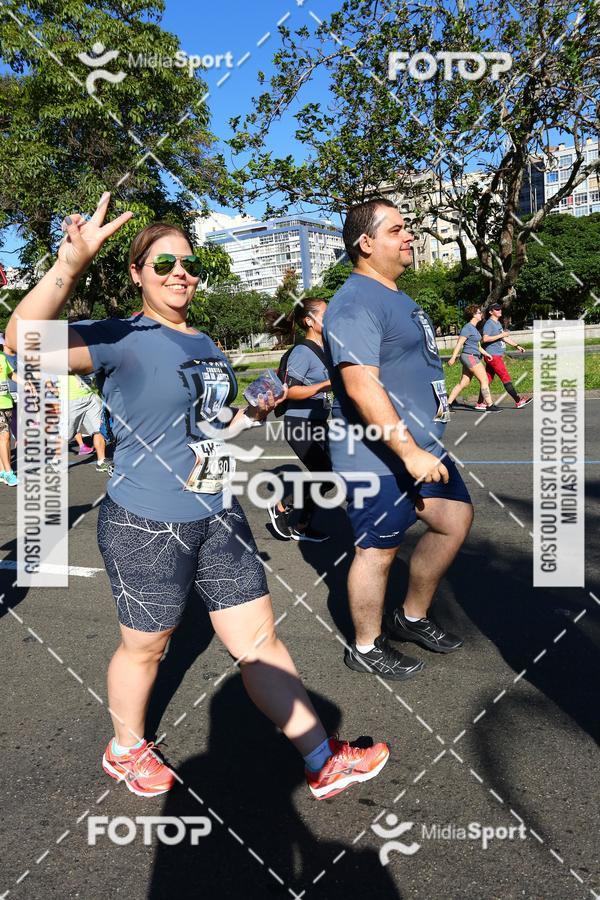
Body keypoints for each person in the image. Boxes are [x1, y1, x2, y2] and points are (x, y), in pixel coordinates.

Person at [6, 192, 389, 800]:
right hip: (146, 521)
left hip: (218, 512)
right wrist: (70, 263)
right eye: (163, 264)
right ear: (137, 274)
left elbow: (213, 426)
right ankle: (125, 750)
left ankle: (321, 758)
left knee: (259, 641)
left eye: (189, 264)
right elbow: (21, 343)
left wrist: (252, 410)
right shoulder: (117, 336)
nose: (180, 273)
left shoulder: (207, 344)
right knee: (148, 646)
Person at [322, 198, 473, 681]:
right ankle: (365, 646)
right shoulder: (354, 301)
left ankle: (409, 617)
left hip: (419, 448)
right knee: (377, 549)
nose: (409, 236)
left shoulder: (396, 296)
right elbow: (360, 383)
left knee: (454, 520)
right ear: (365, 244)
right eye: (398, 230)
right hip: (377, 454)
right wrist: (407, 451)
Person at [268, 298, 333, 542]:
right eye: (326, 315)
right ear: (309, 321)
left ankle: (301, 526)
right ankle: (281, 506)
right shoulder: (302, 352)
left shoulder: (325, 349)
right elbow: (290, 391)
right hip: (300, 424)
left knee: (330, 476)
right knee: (326, 473)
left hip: (318, 422)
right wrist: (327, 384)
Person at [475, 302, 532, 409]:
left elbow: (503, 337)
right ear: (491, 312)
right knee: (505, 377)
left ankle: (479, 403)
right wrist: (502, 334)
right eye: (496, 309)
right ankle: (518, 401)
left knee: (486, 380)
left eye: (500, 309)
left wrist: (517, 345)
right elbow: (485, 338)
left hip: (494, 355)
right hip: (493, 356)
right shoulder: (489, 323)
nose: (499, 310)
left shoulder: (497, 323)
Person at [447, 306, 502, 412]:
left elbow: (478, 347)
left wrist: (486, 354)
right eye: (478, 312)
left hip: (471, 355)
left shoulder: (474, 329)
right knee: (484, 379)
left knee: (464, 383)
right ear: (473, 315)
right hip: (470, 356)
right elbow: (459, 343)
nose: (480, 314)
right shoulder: (467, 328)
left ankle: (448, 404)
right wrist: (453, 358)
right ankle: (490, 405)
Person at [59, 373, 112, 473]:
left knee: (99, 428)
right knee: (67, 433)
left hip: (92, 395)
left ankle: (101, 461)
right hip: (71, 397)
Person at [0, 338, 18, 485]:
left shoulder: (2, 357)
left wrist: (27, 383)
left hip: (6, 402)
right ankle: (8, 472)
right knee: (5, 437)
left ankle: (1, 471)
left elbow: (11, 375)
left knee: (3, 439)